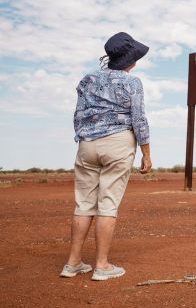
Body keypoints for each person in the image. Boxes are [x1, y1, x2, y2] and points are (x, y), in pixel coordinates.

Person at [60, 32, 153, 281]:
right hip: (118, 142)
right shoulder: (132, 83)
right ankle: (101, 266)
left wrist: (84, 136)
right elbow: (139, 119)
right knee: (108, 204)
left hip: (87, 143)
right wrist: (146, 153)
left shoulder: (88, 79)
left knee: (83, 204)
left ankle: (73, 263)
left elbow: (78, 114)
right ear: (129, 60)